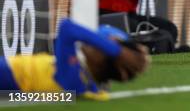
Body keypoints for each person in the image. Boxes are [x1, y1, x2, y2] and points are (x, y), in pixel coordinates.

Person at [0, 19, 149, 99]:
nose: (90, 41)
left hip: (8, 75)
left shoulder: (74, 80)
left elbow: (66, 27)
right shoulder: (88, 82)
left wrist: (117, 50)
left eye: (97, 43)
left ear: (101, 61)